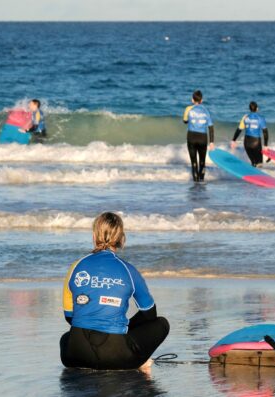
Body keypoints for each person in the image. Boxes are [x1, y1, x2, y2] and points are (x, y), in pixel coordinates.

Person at [60, 212, 169, 370]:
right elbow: (150, 314)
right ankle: (141, 361)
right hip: (114, 356)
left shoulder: (76, 267)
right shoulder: (128, 270)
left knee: (65, 338)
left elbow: (69, 316)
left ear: (93, 236)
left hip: (75, 354)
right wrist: (125, 327)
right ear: (121, 238)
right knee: (162, 324)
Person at [183, 90, 215, 182]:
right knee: (202, 161)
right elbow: (211, 127)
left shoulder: (188, 109)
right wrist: (212, 142)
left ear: (192, 100)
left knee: (193, 162)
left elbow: (185, 121)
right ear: (202, 100)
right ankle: (201, 181)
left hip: (191, 137)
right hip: (202, 138)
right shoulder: (206, 111)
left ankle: (196, 183)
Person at [231, 102, 269, 167]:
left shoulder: (245, 118)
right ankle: (258, 176)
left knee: (253, 162)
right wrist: (265, 145)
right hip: (256, 143)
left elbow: (239, 130)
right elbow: (265, 132)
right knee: (259, 164)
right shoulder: (261, 118)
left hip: (247, 143)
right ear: (257, 109)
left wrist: (233, 140)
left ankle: (252, 173)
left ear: (249, 109)